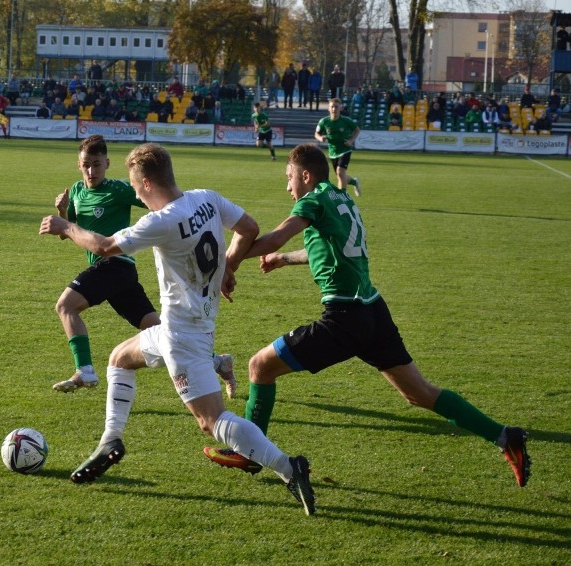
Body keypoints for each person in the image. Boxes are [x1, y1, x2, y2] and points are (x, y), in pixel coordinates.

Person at [203, 143, 532, 492]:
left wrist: (227, 263)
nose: (287, 187)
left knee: (260, 367)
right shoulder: (341, 198)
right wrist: (283, 260)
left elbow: (275, 235)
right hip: (374, 310)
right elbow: (328, 250)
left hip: (344, 318)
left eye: (289, 179)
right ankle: (505, 436)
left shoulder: (312, 200)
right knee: (419, 393)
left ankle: (252, 452)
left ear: (305, 175)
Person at [39, 143, 315, 515]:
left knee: (211, 421)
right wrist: (226, 267)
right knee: (120, 359)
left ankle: (288, 467)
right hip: (188, 323)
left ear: (148, 183)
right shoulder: (207, 198)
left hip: (181, 336)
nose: (135, 193)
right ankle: (111, 440)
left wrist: (66, 226)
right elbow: (249, 228)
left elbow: (104, 247)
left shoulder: (161, 221)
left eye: (137, 188)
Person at [44, 136, 238, 398]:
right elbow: (68, 233)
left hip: (115, 264)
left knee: (65, 305)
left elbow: (158, 198)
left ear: (107, 164)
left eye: (97, 165)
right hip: (118, 275)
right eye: (86, 165)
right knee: (159, 332)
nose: (92, 171)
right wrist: (64, 213)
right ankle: (218, 362)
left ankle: (85, 369)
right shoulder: (77, 191)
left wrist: (186, 213)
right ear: (79, 165)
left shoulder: (120, 190)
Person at [315, 98, 361, 197]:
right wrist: (320, 138)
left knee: (340, 172)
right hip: (332, 151)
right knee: (341, 176)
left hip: (345, 149)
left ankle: (342, 196)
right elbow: (317, 133)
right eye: (332, 107)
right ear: (328, 108)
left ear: (340, 108)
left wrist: (351, 141)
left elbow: (357, 130)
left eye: (336, 107)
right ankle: (355, 182)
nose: (334, 109)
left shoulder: (346, 121)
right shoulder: (324, 122)